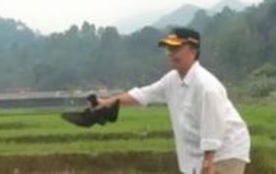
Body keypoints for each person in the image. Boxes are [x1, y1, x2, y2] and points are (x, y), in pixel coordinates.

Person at [97, 27, 250, 174]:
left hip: (226, 151)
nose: (170, 54)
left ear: (193, 50)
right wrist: (107, 102)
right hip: (199, 152)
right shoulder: (172, 79)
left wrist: (208, 163)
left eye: (175, 49)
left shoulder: (206, 86)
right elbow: (143, 94)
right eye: (168, 49)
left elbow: (213, 128)